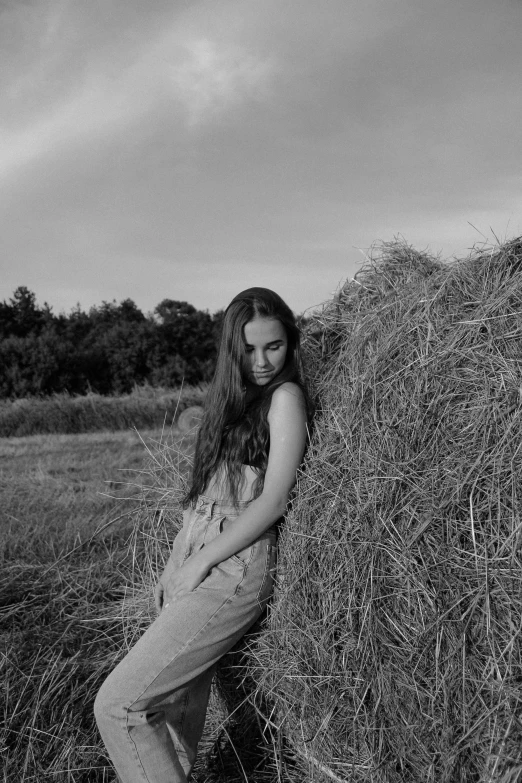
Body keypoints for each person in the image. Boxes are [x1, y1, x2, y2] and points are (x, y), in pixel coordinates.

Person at [94, 287, 311, 783]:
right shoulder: (226, 405)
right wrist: (176, 563)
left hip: (236, 567)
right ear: (231, 349)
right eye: (249, 349)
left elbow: (273, 501)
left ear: (291, 345)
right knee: (169, 715)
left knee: (119, 704)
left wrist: (199, 563)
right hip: (199, 553)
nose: (261, 361)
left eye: (273, 347)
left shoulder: (285, 399)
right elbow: (200, 499)